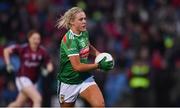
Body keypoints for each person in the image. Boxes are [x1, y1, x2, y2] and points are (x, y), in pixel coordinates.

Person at [56, 7, 113, 107]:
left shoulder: (84, 32)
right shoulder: (69, 40)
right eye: (81, 19)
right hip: (68, 81)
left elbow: (87, 46)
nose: (84, 22)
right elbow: (77, 67)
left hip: (84, 78)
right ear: (72, 22)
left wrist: (99, 55)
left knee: (100, 105)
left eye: (85, 19)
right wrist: (98, 65)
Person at [3, 30, 54, 107]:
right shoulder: (23, 48)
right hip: (22, 78)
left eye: (38, 39)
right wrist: (8, 64)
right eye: (34, 38)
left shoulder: (42, 51)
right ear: (29, 39)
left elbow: (50, 65)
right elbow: (6, 50)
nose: (36, 41)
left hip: (33, 82)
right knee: (37, 98)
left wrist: (47, 70)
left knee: (18, 104)